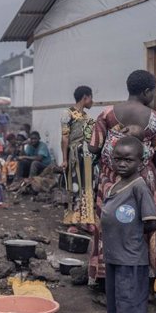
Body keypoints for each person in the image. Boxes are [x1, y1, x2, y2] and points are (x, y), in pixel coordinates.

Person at [88, 70, 156, 285]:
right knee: (145, 224)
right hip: (145, 180)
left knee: (109, 224)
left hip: (111, 180)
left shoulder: (106, 114)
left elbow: (93, 147)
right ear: (147, 91)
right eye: (153, 91)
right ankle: (147, 278)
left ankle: (105, 279)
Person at [100, 136, 156, 313]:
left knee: (131, 305)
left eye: (128, 159)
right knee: (117, 302)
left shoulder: (139, 186)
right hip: (115, 257)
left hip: (131, 259)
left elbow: (151, 221)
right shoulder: (115, 184)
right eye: (118, 159)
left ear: (141, 162)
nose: (122, 163)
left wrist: (132, 237)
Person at [61, 85, 96, 233]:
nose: (92, 101)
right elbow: (64, 138)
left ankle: (87, 220)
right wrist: (64, 159)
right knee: (75, 186)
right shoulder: (67, 113)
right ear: (85, 97)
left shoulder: (87, 118)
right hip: (75, 155)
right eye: (91, 98)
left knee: (88, 186)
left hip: (87, 156)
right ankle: (73, 221)